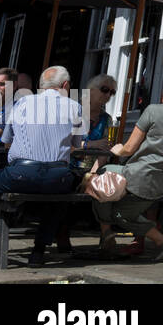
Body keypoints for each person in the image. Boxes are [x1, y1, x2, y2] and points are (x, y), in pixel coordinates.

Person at [92, 71, 163, 262]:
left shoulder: (154, 111)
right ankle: (156, 241)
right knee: (120, 209)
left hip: (141, 176)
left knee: (97, 177)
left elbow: (129, 148)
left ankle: (107, 232)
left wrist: (118, 149)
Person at [0, 65, 83, 267]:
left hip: (20, 174)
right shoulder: (75, 107)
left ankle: (4, 209)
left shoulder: (22, 102)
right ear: (65, 85)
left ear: (41, 86)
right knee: (59, 196)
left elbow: (6, 141)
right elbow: (76, 146)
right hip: (58, 177)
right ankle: (38, 251)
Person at [53, 73, 118, 255]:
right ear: (90, 91)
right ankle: (62, 232)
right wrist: (90, 144)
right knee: (67, 183)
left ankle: (107, 234)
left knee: (107, 183)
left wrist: (94, 172)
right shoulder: (74, 112)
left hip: (92, 168)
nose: (107, 95)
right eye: (104, 90)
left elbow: (106, 150)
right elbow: (63, 144)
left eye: (111, 93)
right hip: (67, 164)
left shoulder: (107, 120)